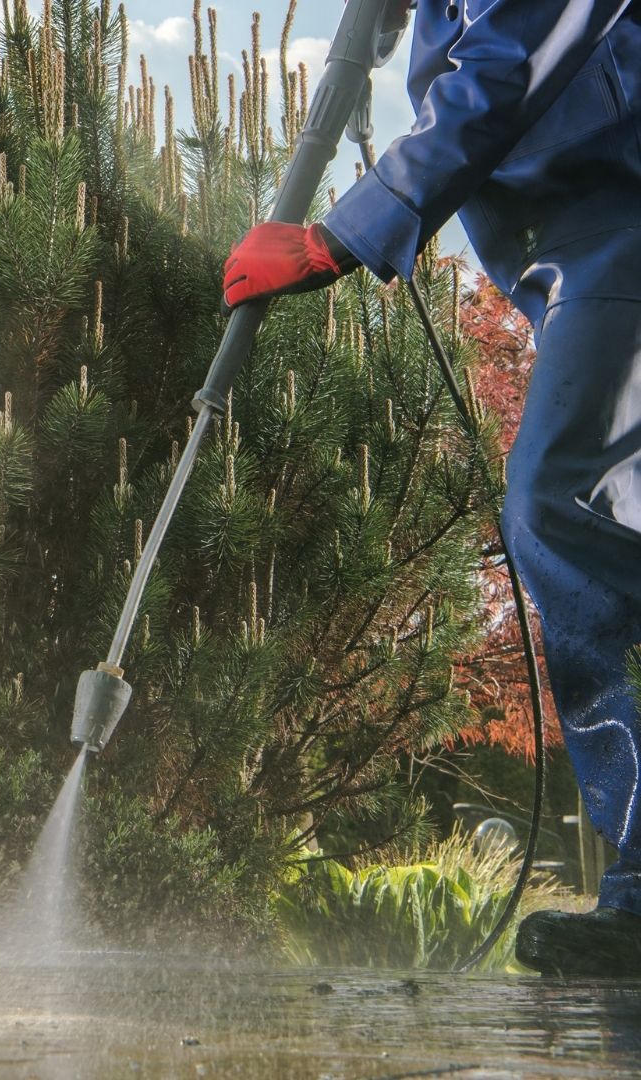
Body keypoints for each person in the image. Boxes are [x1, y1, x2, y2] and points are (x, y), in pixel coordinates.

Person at [223, 0, 641, 977]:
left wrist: (346, 231)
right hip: (574, 249)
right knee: (578, 516)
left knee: (564, 507)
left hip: (621, 226)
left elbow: (514, 55)